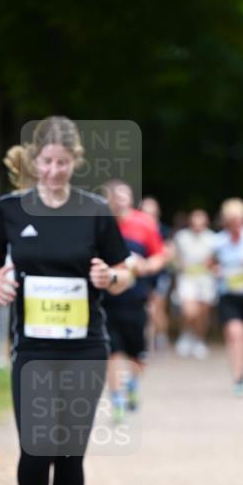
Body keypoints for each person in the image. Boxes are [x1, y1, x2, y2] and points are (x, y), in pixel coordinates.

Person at [0, 117, 133, 485]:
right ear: (34, 161)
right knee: (36, 446)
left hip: (85, 346)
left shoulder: (94, 210)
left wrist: (108, 278)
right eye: (46, 162)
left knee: (69, 449)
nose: (53, 171)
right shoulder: (10, 209)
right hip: (32, 346)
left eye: (62, 163)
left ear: (75, 163)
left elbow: (124, 271)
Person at [101, 181, 166, 423]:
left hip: (136, 298)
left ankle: (131, 385)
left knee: (137, 355)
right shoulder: (101, 224)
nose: (120, 200)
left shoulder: (144, 224)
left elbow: (160, 256)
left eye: (124, 196)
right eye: (115, 196)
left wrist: (145, 266)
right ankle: (116, 398)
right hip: (107, 300)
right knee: (112, 352)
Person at [213, 198, 243, 394]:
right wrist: (216, 269)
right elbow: (210, 263)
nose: (235, 224)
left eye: (238, 219)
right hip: (228, 295)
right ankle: (238, 377)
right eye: (231, 220)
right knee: (236, 335)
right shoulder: (218, 241)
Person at [172, 209, 217, 359]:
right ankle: (185, 335)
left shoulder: (213, 238)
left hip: (206, 280)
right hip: (187, 279)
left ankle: (199, 340)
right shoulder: (181, 237)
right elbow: (174, 257)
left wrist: (211, 264)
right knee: (189, 311)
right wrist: (180, 264)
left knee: (203, 314)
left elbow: (216, 260)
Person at [140, 196, 175, 351]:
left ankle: (159, 336)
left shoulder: (164, 230)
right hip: (141, 274)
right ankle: (147, 341)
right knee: (146, 308)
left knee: (156, 307)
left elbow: (169, 254)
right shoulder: (136, 229)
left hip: (160, 275)